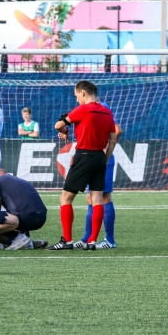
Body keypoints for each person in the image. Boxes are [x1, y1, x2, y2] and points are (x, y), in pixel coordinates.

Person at [46, 80, 117, 251]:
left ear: (83, 93)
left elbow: (58, 125)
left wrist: (64, 130)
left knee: (65, 198)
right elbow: (113, 138)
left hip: (84, 155)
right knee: (97, 199)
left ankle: (67, 241)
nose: (77, 99)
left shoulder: (83, 109)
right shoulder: (107, 112)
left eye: (77, 95)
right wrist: (105, 158)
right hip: (100, 157)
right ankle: (91, 241)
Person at [75, 106, 123, 250]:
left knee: (105, 197)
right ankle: (86, 239)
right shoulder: (88, 109)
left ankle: (110, 240)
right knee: (90, 198)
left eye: (78, 96)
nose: (77, 99)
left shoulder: (102, 108)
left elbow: (117, 130)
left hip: (102, 159)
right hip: (92, 159)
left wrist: (106, 150)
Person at [0, 168, 48, 250]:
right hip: (42, 217)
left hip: (25, 217)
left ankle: (12, 241)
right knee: (19, 209)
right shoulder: (20, 180)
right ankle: (27, 241)